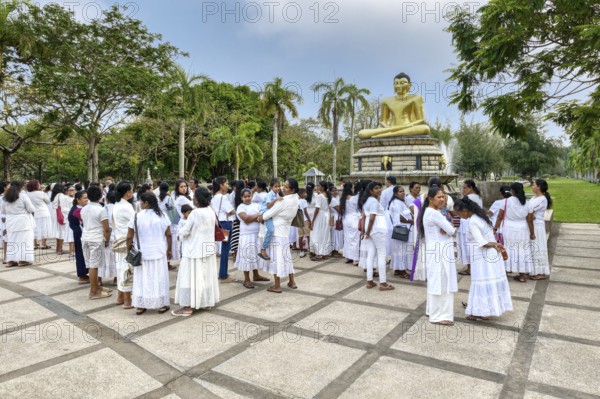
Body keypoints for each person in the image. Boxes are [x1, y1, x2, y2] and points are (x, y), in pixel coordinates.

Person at [454, 197, 513, 320]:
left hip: (482, 256)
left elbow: (482, 242)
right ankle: (485, 310)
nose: (459, 216)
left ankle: (479, 312)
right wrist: (495, 245)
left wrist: (495, 244)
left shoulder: (473, 222)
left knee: (480, 282)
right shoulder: (481, 216)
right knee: (489, 282)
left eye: (459, 213)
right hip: (491, 255)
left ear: (465, 210)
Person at [172, 187, 219, 316]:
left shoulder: (195, 213)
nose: (192, 199)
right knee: (205, 276)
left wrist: (178, 235)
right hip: (207, 248)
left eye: (194, 198)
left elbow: (185, 231)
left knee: (190, 278)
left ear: (197, 200)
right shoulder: (210, 211)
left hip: (194, 250)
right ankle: (205, 301)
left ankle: (188, 307)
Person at [127, 192, 172, 315]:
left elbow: (129, 237)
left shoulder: (137, 216)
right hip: (159, 251)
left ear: (146, 203)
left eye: (141, 201)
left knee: (142, 278)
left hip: (142, 253)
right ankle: (162, 304)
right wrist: (169, 250)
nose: (140, 204)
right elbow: (168, 234)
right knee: (159, 277)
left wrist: (129, 250)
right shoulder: (162, 215)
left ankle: (141, 305)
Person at [418, 186, 457, 325]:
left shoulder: (431, 212)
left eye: (443, 196)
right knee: (442, 282)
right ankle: (439, 315)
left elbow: (448, 229)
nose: (442, 199)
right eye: (439, 197)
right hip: (440, 251)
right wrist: (446, 228)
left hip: (435, 250)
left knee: (436, 280)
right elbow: (452, 230)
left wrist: (445, 228)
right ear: (430, 199)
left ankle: (432, 310)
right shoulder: (434, 213)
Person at [258, 179, 300, 293]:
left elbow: (267, 214)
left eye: (286, 187)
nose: (282, 188)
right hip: (285, 233)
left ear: (292, 189)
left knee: (277, 259)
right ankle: (292, 281)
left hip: (276, 233)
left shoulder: (283, 201)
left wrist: (261, 217)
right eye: (283, 186)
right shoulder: (296, 199)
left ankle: (277, 285)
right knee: (287, 258)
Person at [358, 73, 431, 138]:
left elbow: (421, 119)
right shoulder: (385, 101)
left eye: (402, 83)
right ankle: (394, 133)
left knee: (425, 128)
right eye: (396, 83)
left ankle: (389, 134)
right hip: (391, 128)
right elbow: (383, 121)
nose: (398, 86)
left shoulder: (416, 98)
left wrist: (405, 126)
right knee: (361, 133)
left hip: (407, 127)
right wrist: (389, 128)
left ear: (409, 85)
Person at [494, 182, 533, 283]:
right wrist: (532, 233)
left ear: (512, 191)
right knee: (522, 250)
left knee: (507, 249)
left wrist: (495, 228)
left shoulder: (506, 201)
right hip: (523, 229)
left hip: (509, 229)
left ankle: (505, 273)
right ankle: (522, 275)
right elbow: (530, 220)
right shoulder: (528, 203)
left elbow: (499, 217)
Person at [360, 181, 394, 291]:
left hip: (372, 231)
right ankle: (383, 283)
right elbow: (371, 218)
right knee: (381, 256)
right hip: (377, 230)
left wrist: (366, 232)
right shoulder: (374, 201)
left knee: (371, 255)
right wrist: (367, 232)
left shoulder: (366, 201)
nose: (379, 190)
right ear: (370, 191)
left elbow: (365, 217)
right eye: (376, 188)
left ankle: (370, 281)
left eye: (379, 188)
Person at [80, 185, 112, 300]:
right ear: (100, 196)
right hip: (96, 239)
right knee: (94, 266)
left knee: (91, 265)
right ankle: (93, 291)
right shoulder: (101, 210)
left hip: (85, 238)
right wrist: (107, 240)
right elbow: (107, 229)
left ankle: (97, 288)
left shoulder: (83, 209)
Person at [235, 188, 270, 289]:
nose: (247, 198)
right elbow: (246, 219)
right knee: (247, 256)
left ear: (252, 196)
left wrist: (256, 217)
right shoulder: (240, 207)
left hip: (257, 234)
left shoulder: (256, 205)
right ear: (241, 198)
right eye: (245, 197)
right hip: (246, 235)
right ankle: (247, 279)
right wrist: (258, 216)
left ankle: (256, 275)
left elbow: (263, 218)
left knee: (255, 256)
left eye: (249, 196)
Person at [113, 182, 136, 309]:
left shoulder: (118, 204)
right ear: (128, 192)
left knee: (121, 268)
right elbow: (133, 224)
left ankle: (120, 297)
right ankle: (127, 300)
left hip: (119, 240)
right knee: (128, 269)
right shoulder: (126, 207)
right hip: (126, 241)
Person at [2, 181, 36, 267]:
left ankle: (11, 260)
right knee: (24, 241)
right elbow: (31, 209)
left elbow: (3, 211)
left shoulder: (5, 197)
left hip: (10, 222)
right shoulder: (23, 196)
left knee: (12, 241)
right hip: (23, 222)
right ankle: (23, 260)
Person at [211, 176, 236, 283]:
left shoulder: (214, 197)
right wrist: (229, 212)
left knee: (224, 249)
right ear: (221, 185)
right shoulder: (222, 197)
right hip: (225, 224)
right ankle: (223, 275)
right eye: (226, 184)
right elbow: (232, 211)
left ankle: (223, 272)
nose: (227, 186)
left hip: (219, 223)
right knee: (225, 250)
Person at [528, 179, 552, 280]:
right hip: (532, 225)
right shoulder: (534, 197)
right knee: (533, 248)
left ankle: (541, 272)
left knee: (538, 248)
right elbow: (528, 210)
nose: (532, 186)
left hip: (537, 226)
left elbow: (529, 210)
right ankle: (534, 270)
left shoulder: (542, 199)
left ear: (539, 187)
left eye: (534, 185)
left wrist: (530, 214)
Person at [458, 180, 483, 276]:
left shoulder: (468, 197)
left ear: (471, 188)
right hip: (475, 221)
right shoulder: (478, 197)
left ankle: (470, 268)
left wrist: (463, 196)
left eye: (465, 188)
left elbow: (461, 208)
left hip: (467, 222)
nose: (463, 190)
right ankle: (473, 267)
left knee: (466, 245)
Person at [389, 185, 413, 278]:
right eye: (400, 191)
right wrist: (411, 221)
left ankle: (398, 269)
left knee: (399, 250)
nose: (403, 193)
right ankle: (402, 271)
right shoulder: (397, 203)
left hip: (401, 229)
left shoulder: (399, 202)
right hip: (401, 229)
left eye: (403, 191)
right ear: (395, 193)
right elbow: (400, 217)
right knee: (402, 250)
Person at [257, 179, 283, 261]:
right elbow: (268, 206)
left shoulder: (277, 194)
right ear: (271, 187)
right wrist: (276, 200)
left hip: (271, 214)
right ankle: (263, 248)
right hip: (266, 214)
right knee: (271, 230)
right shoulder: (270, 195)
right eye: (275, 186)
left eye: (279, 186)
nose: (277, 188)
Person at [158, 182, 180, 270]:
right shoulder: (169, 198)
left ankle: (164, 261)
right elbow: (173, 210)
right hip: (169, 222)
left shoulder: (158, 199)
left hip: (160, 221)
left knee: (163, 241)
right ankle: (167, 262)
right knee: (169, 242)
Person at [68, 190, 88, 284]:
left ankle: (84, 273)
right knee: (80, 254)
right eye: (84, 198)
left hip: (81, 234)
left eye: (87, 197)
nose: (87, 200)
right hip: (80, 235)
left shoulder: (80, 208)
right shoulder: (76, 210)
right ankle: (82, 275)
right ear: (78, 200)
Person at [310, 181, 332, 261]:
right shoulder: (327, 195)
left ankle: (320, 253)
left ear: (322, 187)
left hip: (320, 216)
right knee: (324, 234)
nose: (317, 187)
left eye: (319, 185)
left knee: (317, 234)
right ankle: (324, 252)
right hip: (326, 215)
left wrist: (313, 221)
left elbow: (317, 208)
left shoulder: (320, 196)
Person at [26, 180, 52, 250]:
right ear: (36, 185)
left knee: (34, 228)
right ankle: (43, 244)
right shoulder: (41, 193)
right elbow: (48, 201)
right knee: (44, 228)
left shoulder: (27, 193)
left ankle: (34, 244)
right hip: (43, 212)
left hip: (33, 213)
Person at [340, 182, 359, 265]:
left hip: (346, 219)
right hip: (353, 219)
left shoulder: (342, 199)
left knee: (347, 239)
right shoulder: (354, 198)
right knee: (355, 239)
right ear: (351, 188)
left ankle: (348, 257)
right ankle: (355, 258)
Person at [51, 183, 71, 255]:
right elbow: (64, 207)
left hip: (56, 215)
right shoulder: (61, 195)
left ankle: (58, 248)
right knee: (62, 232)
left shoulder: (55, 195)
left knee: (58, 232)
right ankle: (60, 249)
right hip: (61, 215)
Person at [329, 185, 344, 258]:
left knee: (336, 234)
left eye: (336, 190)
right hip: (335, 217)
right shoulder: (332, 199)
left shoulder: (336, 198)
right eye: (333, 190)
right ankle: (334, 251)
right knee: (335, 234)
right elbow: (339, 209)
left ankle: (335, 250)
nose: (335, 192)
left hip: (336, 216)